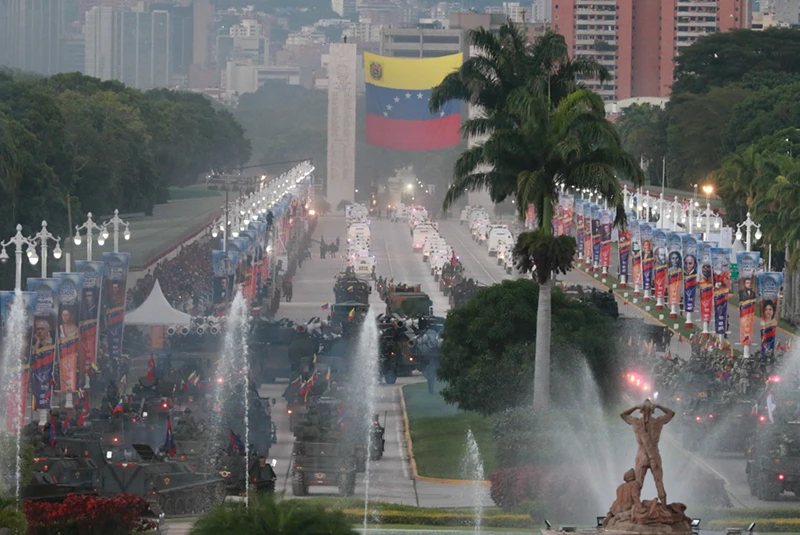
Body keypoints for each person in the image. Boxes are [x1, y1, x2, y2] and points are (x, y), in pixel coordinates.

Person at [620, 399, 675, 504]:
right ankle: (664, 507)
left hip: (641, 457)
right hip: (654, 455)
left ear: (641, 410)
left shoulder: (636, 422)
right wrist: (658, 405)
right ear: (652, 410)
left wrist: (635, 406)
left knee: (638, 484)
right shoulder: (658, 422)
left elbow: (623, 415)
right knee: (659, 483)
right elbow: (671, 413)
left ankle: (635, 508)